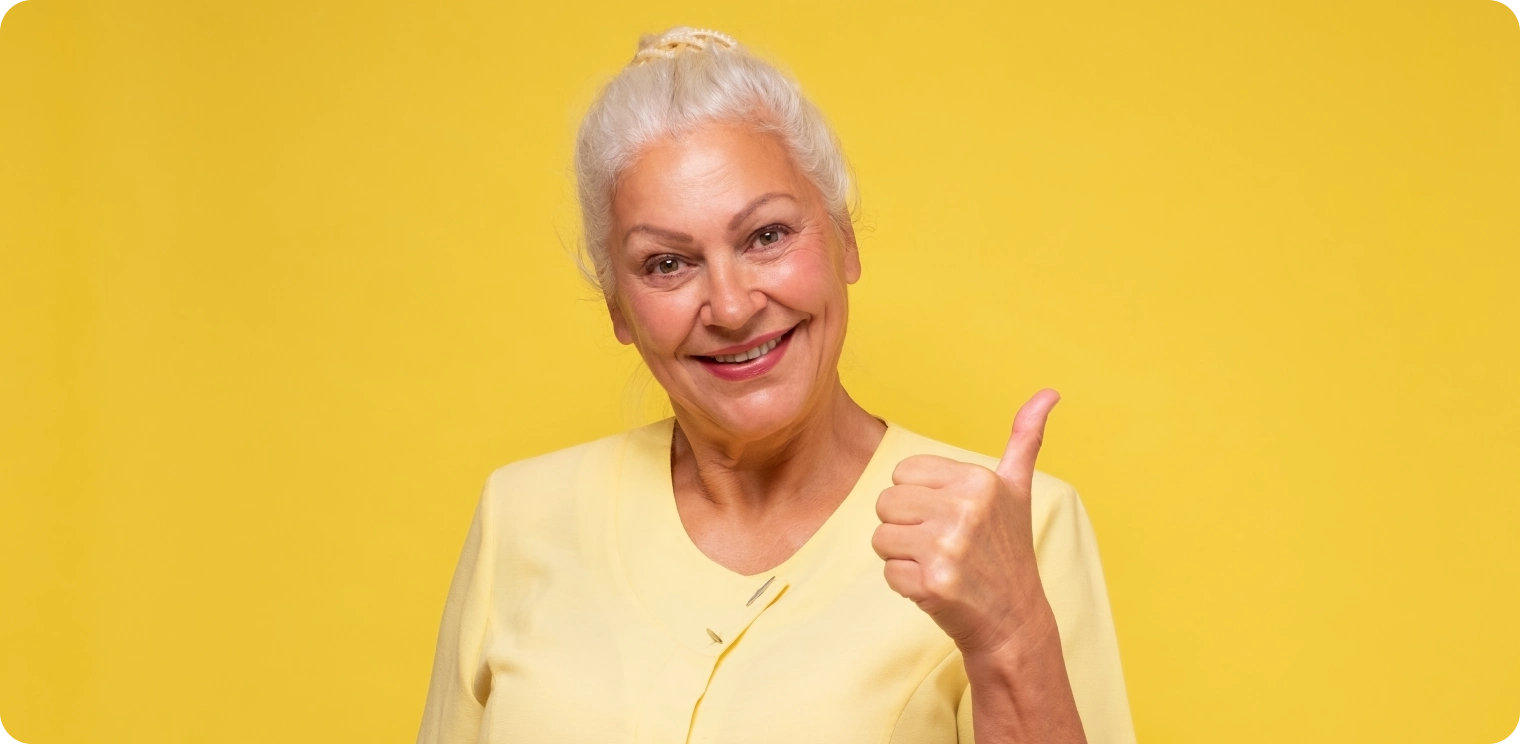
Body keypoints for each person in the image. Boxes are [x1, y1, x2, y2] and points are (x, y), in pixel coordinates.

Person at [417, 27, 1135, 744]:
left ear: (845, 242)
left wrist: (1010, 636)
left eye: (766, 236)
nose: (731, 307)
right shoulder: (519, 516)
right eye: (667, 263)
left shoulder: (1010, 526)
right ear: (618, 310)